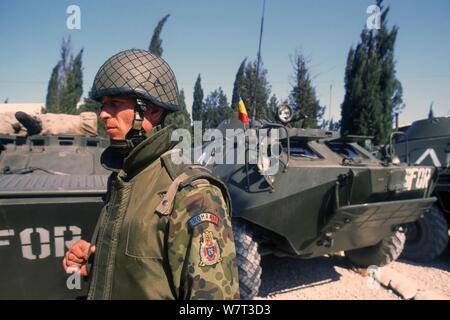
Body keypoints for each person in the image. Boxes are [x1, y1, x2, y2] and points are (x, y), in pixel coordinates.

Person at [62, 49, 240, 300]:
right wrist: (95, 262)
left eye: (115, 104)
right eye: (103, 105)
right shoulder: (125, 178)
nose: (102, 114)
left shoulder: (193, 193)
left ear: (153, 111)